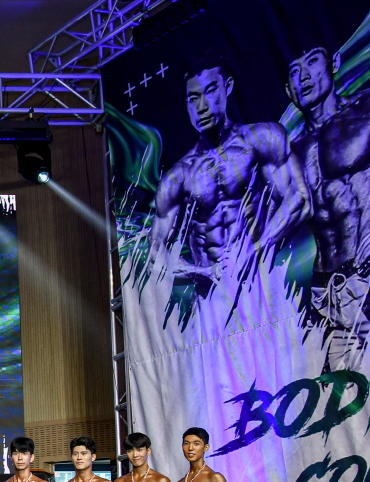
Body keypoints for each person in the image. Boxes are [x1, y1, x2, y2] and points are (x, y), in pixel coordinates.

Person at [149, 56, 311, 330]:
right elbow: (156, 253)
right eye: (193, 99)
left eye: (210, 91)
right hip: (214, 305)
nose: (201, 106)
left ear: (228, 86)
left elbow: (299, 200)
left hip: (265, 290)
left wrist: (254, 250)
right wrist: (202, 272)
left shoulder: (263, 139)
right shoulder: (178, 177)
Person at [285, 45, 370, 370]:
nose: (304, 77)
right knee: (344, 390)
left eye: (312, 62)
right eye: (295, 71)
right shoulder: (289, 155)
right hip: (326, 289)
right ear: (288, 90)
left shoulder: (364, 111)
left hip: (366, 269)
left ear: (333, 63)